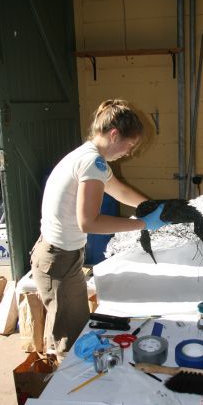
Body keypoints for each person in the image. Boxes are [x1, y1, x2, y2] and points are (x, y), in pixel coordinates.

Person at [30, 99, 167, 361]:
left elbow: (120, 190)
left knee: (73, 324)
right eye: (129, 145)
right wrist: (142, 224)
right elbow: (89, 223)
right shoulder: (92, 162)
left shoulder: (92, 158)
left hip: (62, 254)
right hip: (57, 259)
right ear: (114, 135)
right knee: (70, 342)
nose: (128, 153)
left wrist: (152, 207)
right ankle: (65, 393)